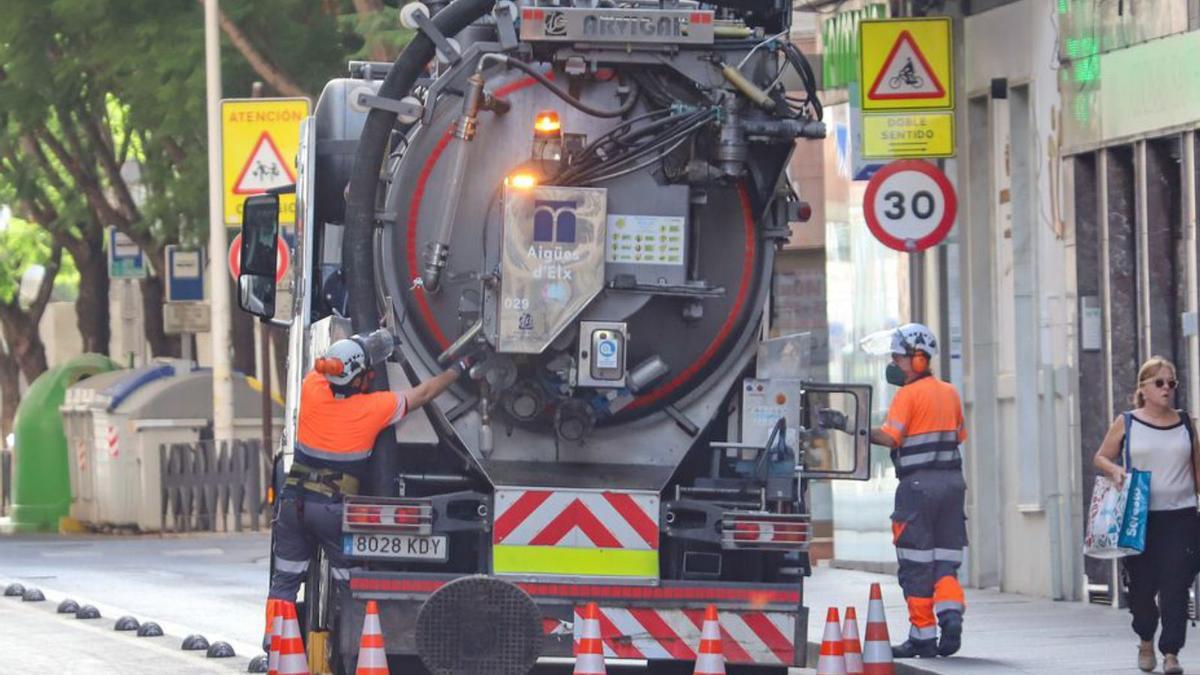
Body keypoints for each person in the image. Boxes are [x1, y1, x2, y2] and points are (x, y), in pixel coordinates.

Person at [263, 328, 473, 635]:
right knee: (348, 581)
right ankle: (353, 642)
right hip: (331, 512)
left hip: (293, 503)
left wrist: (354, 350)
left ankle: (276, 644)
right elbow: (425, 393)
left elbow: (327, 366)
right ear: (359, 380)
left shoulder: (313, 389)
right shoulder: (375, 408)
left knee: (284, 581)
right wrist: (459, 368)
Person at [864, 322, 967, 659]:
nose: (894, 363)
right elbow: (959, 436)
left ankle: (922, 638)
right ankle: (951, 616)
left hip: (917, 488)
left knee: (916, 563)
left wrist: (854, 427)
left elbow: (890, 438)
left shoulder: (906, 395)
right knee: (946, 561)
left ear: (918, 360)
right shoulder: (950, 392)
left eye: (899, 358)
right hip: (952, 485)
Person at [1093, 356, 1200, 675]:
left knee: (1176, 585)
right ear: (1144, 388)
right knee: (1141, 589)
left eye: (1172, 383)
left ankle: (1171, 652)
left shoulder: (1185, 422)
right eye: (1160, 383)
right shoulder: (1127, 422)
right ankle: (1144, 638)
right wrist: (1116, 470)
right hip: (1139, 518)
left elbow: (1197, 470)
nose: (1167, 389)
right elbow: (1100, 456)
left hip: (1180, 516)